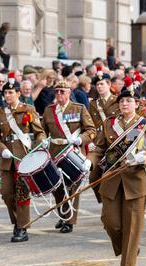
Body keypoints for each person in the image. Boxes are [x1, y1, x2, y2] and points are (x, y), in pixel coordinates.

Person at [88, 89, 146, 266]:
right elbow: (100, 148)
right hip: (112, 178)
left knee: (132, 224)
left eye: (129, 101)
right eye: (122, 101)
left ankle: (128, 265)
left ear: (136, 104)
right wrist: (90, 161)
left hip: (136, 180)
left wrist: (143, 158)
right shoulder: (109, 124)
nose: (125, 104)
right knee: (110, 221)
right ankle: (130, 247)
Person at [0, 75, 47, 242]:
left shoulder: (28, 109)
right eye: (5, 93)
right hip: (8, 159)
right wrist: (2, 149)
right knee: (6, 193)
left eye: (10, 93)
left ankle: (21, 227)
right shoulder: (1, 112)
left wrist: (42, 142)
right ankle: (17, 222)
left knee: (22, 194)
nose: (7, 96)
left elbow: (39, 131)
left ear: (18, 94)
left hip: (23, 157)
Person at [41, 81, 96, 233]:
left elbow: (91, 130)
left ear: (69, 93)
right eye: (57, 91)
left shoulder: (79, 109)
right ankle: (63, 215)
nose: (59, 94)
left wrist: (81, 139)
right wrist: (42, 141)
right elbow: (42, 131)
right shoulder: (48, 111)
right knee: (57, 187)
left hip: (74, 152)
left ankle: (69, 220)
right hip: (54, 153)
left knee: (72, 187)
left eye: (62, 92)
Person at [88, 68, 119, 203]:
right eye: (97, 85)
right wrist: (90, 139)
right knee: (93, 177)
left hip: (114, 142)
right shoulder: (93, 104)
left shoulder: (117, 101)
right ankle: (104, 201)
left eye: (102, 84)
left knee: (112, 175)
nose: (99, 87)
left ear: (109, 85)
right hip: (99, 144)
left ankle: (111, 203)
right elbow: (91, 125)